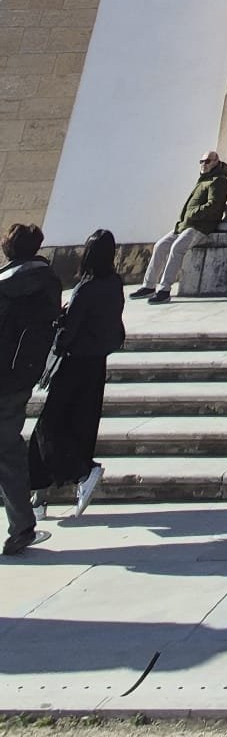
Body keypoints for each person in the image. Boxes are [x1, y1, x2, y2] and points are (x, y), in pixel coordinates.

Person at [29, 229, 125, 521]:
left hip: (73, 363)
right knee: (77, 424)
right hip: (96, 363)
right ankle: (40, 494)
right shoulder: (114, 283)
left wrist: (58, 328)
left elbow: (69, 332)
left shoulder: (87, 287)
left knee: (48, 427)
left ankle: (81, 473)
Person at [0, 222, 62, 556]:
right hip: (20, 379)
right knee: (8, 450)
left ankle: (22, 525)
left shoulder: (5, 284)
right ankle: (22, 525)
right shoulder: (49, 282)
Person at [131, 150, 227, 304]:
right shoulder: (204, 179)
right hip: (185, 225)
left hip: (200, 227)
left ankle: (164, 289)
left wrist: (192, 214)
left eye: (208, 161)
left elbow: (214, 206)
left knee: (177, 248)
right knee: (160, 246)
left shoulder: (218, 180)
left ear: (216, 161)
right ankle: (149, 286)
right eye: (202, 161)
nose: (204, 164)